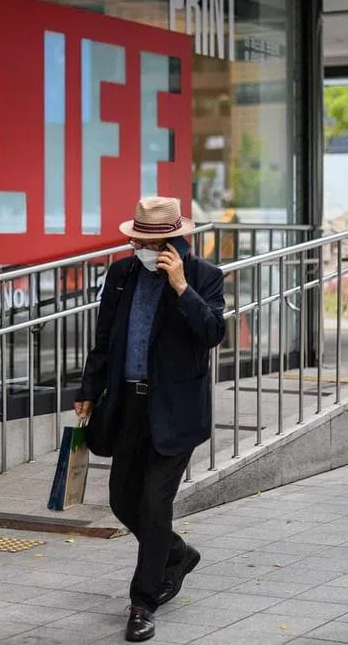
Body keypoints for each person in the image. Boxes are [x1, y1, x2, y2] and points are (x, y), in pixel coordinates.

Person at [75, 196, 226, 643]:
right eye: (135, 237)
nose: (138, 245)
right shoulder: (121, 276)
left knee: (155, 504)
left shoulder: (203, 277)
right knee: (123, 500)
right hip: (128, 406)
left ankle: (143, 602)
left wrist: (182, 287)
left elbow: (213, 333)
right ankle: (177, 553)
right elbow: (104, 341)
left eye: (147, 239)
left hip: (175, 411)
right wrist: (88, 390)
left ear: (173, 239)